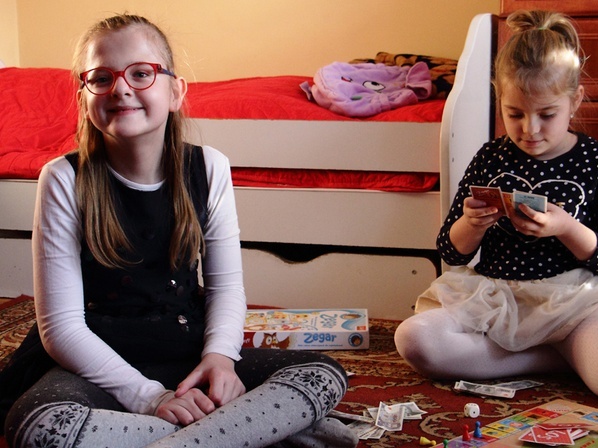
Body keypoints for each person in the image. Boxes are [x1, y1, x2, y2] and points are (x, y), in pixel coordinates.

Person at [1, 14, 357, 448]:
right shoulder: (62, 178)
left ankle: (203, 434)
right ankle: (253, 431)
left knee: (322, 374)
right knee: (39, 427)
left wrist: (220, 359)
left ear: (175, 91)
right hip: (98, 363)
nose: (120, 88)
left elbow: (226, 287)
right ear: (84, 97)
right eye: (101, 78)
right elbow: (62, 328)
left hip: (186, 348)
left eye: (141, 73)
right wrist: (150, 398)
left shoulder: (209, 167)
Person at [394, 10, 598, 407]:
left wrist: (567, 228)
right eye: (514, 114)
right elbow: (451, 251)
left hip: (578, 303)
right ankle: (559, 359)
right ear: (500, 101)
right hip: (498, 299)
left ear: (575, 100)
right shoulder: (490, 157)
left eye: (547, 114)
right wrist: (472, 224)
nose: (530, 129)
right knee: (415, 340)